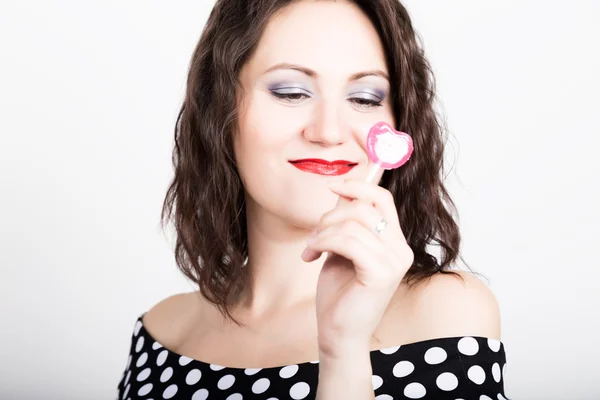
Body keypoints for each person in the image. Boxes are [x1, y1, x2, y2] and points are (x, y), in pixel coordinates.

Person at [117, 0, 510, 399]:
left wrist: (344, 353)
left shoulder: (447, 315)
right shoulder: (165, 330)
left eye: (365, 98)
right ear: (220, 108)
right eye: (291, 92)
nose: (329, 131)